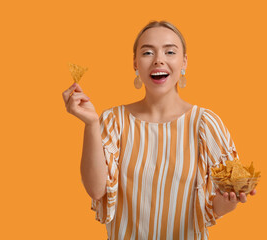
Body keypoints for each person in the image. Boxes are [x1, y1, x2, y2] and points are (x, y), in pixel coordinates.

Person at [62, 20, 256, 240]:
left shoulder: (205, 123)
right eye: (147, 53)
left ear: (184, 62)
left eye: (170, 51)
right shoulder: (113, 120)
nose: (159, 60)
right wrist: (91, 124)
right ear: (135, 63)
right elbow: (96, 190)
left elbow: (215, 210)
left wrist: (228, 199)